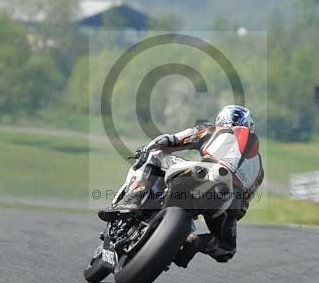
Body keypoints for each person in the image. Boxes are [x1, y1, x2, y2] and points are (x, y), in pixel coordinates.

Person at [99, 105, 264, 267]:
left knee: (155, 154)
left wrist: (147, 148)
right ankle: (193, 241)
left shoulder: (210, 130)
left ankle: (135, 196)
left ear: (221, 119)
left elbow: (170, 140)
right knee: (226, 248)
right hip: (227, 199)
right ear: (251, 126)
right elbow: (242, 207)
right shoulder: (258, 168)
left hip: (201, 174)